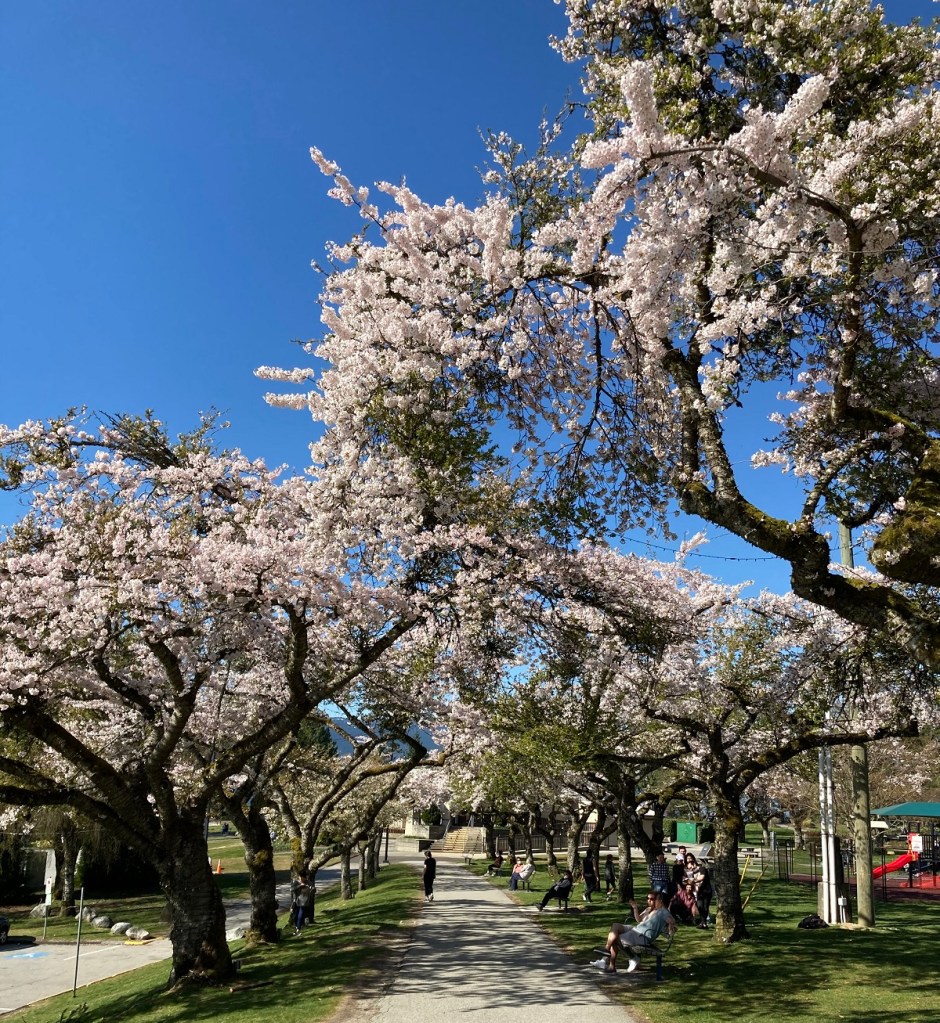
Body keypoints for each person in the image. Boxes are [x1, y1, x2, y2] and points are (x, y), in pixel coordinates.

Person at [592, 890, 676, 973]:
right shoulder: (649, 909)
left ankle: (621, 962)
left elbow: (672, 926)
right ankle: (606, 951)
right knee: (615, 926)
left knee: (616, 939)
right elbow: (639, 920)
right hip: (636, 930)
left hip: (643, 936)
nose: (649, 900)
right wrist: (635, 908)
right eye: (648, 898)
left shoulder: (664, 912)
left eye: (652, 899)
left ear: (659, 900)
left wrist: (671, 924)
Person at [692, 862, 713, 928]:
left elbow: (702, 878)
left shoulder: (702, 869)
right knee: (700, 906)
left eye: (691, 867)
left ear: (694, 864)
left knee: (705, 906)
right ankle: (703, 922)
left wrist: (692, 881)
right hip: (700, 892)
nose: (691, 868)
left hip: (706, 891)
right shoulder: (693, 872)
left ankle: (703, 923)